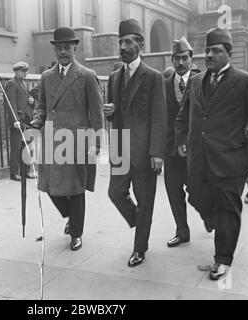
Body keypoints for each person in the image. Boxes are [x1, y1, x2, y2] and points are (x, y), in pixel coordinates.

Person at [175, 28, 248, 281]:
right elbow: (183, 115)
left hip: (231, 159)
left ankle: (222, 260)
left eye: (216, 51)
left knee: (228, 210)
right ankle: (213, 218)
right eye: (207, 51)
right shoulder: (196, 81)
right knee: (195, 196)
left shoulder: (247, 82)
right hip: (199, 158)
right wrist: (181, 138)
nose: (209, 55)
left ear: (228, 53)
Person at [31, 27, 103, 251]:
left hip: (78, 140)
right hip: (53, 140)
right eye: (59, 48)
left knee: (76, 188)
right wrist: (36, 121)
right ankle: (71, 217)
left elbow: (97, 112)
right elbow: (42, 106)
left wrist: (96, 142)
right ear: (55, 50)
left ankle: (76, 233)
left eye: (67, 47)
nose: (63, 52)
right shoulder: (46, 77)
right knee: (50, 186)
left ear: (75, 48)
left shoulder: (87, 76)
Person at [103, 19, 167, 267]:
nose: (123, 46)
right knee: (114, 192)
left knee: (145, 201)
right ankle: (139, 221)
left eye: (128, 41)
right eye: (121, 42)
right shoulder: (114, 77)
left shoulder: (153, 77)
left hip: (144, 153)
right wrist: (110, 113)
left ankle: (140, 248)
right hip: (121, 150)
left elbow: (159, 118)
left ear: (140, 44)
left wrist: (157, 153)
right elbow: (115, 114)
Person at [164, 37, 198, 248]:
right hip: (171, 151)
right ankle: (181, 231)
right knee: (173, 191)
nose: (181, 63)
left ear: (191, 59)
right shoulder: (164, 85)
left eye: (184, 58)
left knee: (199, 191)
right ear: (172, 60)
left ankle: (209, 217)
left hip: (196, 151)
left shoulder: (202, 81)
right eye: (176, 58)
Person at [4, 62, 35, 181]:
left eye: (26, 71)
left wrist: (31, 102)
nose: (25, 73)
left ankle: (25, 172)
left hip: (26, 121)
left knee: (27, 147)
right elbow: (10, 103)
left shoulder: (24, 84)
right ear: (16, 72)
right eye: (23, 71)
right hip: (18, 122)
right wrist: (14, 120)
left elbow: (26, 103)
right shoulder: (12, 84)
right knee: (16, 147)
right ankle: (14, 173)